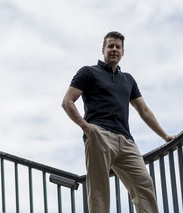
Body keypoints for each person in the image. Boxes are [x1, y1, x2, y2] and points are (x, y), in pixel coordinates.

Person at [61, 31, 175, 213]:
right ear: (103, 49)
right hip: (99, 135)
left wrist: (165, 135)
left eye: (118, 47)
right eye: (110, 46)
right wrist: (86, 127)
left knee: (144, 183)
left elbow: (144, 111)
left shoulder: (128, 79)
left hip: (126, 140)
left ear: (123, 52)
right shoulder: (88, 72)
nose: (114, 49)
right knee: (99, 188)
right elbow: (67, 101)